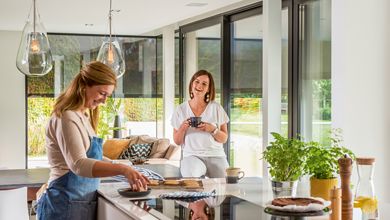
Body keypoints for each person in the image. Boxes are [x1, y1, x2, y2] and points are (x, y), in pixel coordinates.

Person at [36, 61, 149, 220]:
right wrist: (122, 170)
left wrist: (126, 168)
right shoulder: (67, 117)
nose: (104, 101)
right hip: (64, 204)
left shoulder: (84, 115)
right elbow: (79, 164)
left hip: (80, 203)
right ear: (84, 87)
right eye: (102, 93)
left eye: (107, 96)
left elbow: (92, 158)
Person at [171, 70, 229, 178]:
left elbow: (224, 138)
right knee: (190, 177)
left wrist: (212, 129)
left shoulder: (216, 108)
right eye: (196, 81)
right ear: (192, 83)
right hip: (192, 156)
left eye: (204, 84)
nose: (199, 86)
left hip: (216, 155)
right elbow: (177, 141)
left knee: (226, 185)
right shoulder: (181, 109)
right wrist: (183, 127)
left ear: (208, 89)